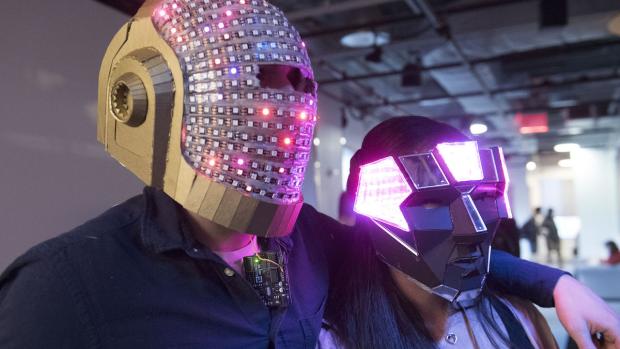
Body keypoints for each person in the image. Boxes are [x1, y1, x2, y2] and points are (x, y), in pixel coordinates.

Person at [0, 1, 618, 348]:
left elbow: (423, 248)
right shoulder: (63, 288)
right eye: (257, 83)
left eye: (299, 83)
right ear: (156, 101)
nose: (284, 108)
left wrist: (557, 283)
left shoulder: (308, 243)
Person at [319, 117, 620, 349]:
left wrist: (558, 283)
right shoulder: (331, 338)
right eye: (432, 202)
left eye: (481, 198)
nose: (474, 227)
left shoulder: (517, 317)